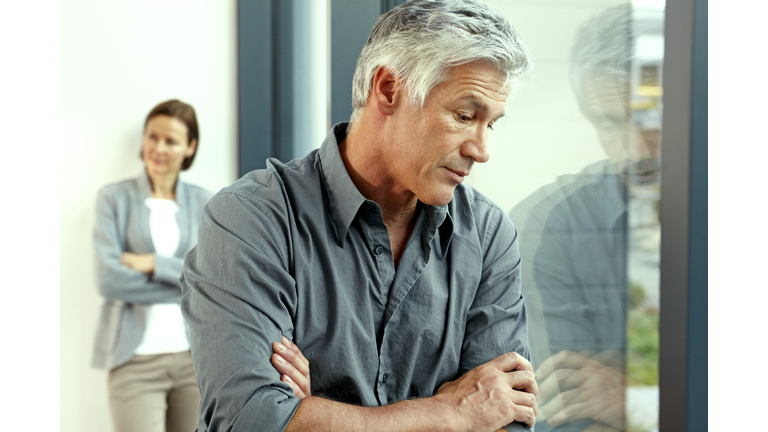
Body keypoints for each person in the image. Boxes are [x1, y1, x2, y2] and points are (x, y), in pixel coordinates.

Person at [180, 1, 537, 431]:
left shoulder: (488, 234)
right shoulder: (251, 219)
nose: (480, 150)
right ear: (387, 89)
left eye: (490, 124)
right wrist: (452, 412)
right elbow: (250, 418)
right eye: (464, 116)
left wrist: (315, 415)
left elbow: (505, 418)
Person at [508, 4, 663, 431]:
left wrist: (644, 401)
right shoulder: (549, 227)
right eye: (609, 124)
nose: (635, 152)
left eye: (651, 120)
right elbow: (572, 417)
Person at [91, 99, 213, 432]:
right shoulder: (114, 200)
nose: (158, 148)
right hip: (134, 361)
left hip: (194, 360)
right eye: (152, 137)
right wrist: (182, 281)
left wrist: (151, 263)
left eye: (171, 141)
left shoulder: (204, 202)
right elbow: (108, 280)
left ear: (190, 147)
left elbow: (211, 278)